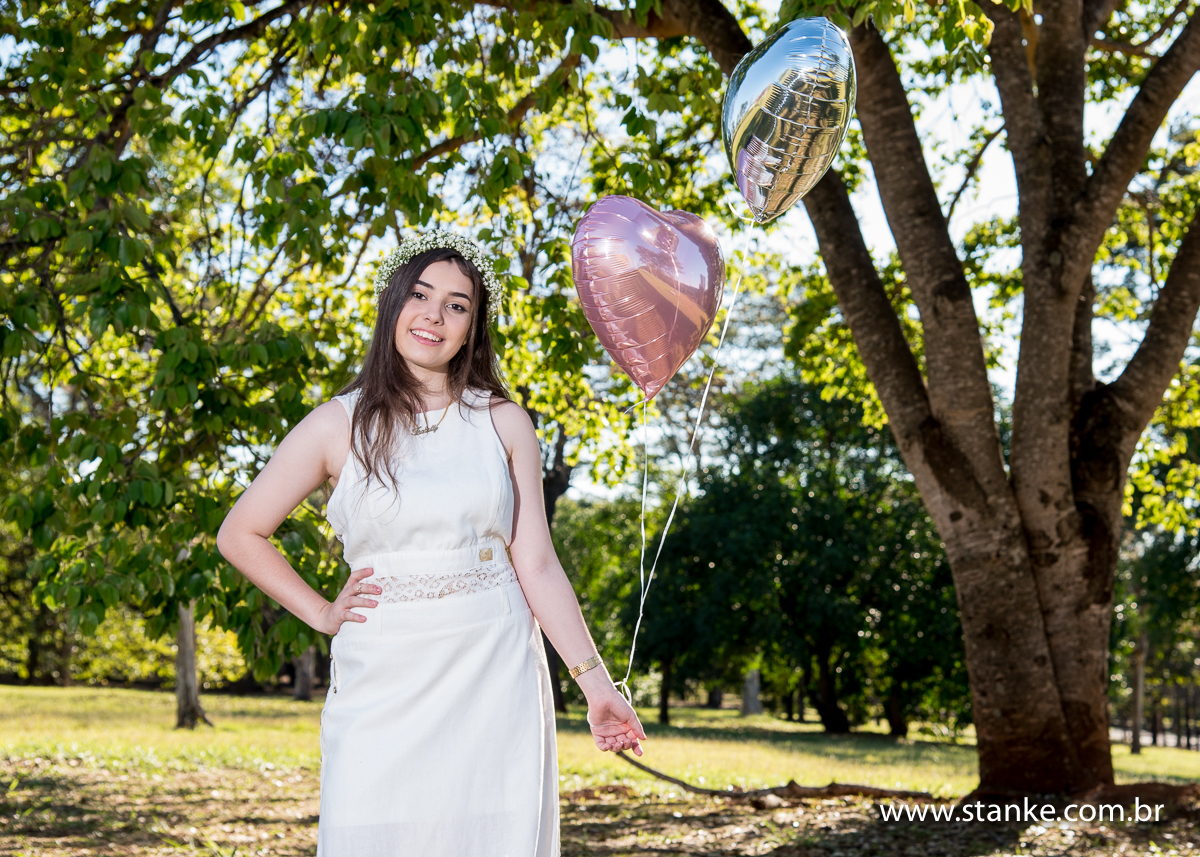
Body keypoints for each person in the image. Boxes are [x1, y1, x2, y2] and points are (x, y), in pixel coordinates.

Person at [216, 230, 646, 856]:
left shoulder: (504, 421)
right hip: (381, 672)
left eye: (457, 304)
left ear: (472, 328)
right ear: (394, 306)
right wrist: (322, 613)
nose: (434, 315)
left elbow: (537, 563)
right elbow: (240, 532)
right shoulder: (338, 422)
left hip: (493, 666)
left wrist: (596, 685)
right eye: (420, 295)